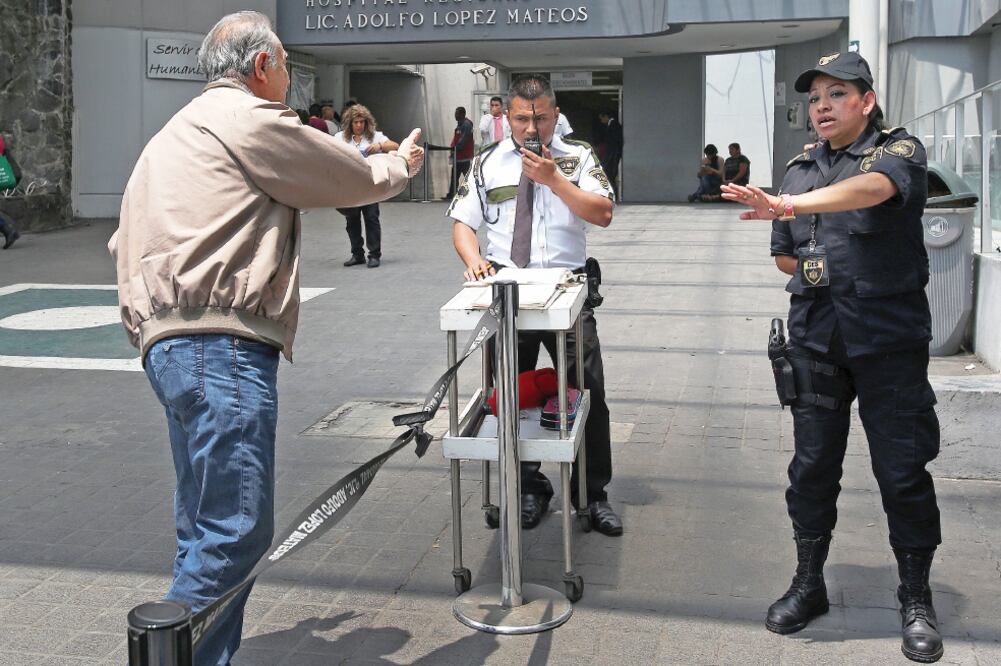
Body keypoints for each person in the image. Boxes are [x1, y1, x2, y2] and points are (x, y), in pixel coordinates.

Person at [108, 12, 423, 666]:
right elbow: (343, 176)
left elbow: (120, 240)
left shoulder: (170, 136)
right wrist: (400, 165)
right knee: (233, 532)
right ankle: (172, 657)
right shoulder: (248, 117)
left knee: (203, 528)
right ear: (260, 67)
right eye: (284, 65)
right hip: (221, 347)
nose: (289, 79)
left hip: (168, 346)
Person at [722, 51, 943, 664]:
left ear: (866, 101)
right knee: (812, 467)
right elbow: (785, 256)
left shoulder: (898, 152)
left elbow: (870, 192)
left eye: (836, 94)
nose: (821, 106)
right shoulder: (797, 170)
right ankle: (808, 582)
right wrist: (810, 257)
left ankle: (916, 597)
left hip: (888, 343)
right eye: (815, 96)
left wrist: (793, 207)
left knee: (902, 472)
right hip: (817, 339)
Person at [448, 74, 623, 536]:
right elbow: (463, 223)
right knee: (511, 395)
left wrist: (554, 179)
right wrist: (473, 260)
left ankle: (592, 495)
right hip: (510, 297)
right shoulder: (488, 162)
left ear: (554, 114)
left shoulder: (578, 156)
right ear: (507, 115)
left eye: (540, 118)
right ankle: (528, 487)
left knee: (588, 394)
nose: (532, 127)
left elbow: (602, 213)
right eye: (522, 118)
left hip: (568, 294)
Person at [334, 104, 400, 268]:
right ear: (350, 123)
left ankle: (374, 254)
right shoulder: (340, 137)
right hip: (350, 186)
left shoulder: (375, 136)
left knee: (371, 218)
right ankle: (357, 254)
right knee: (351, 220)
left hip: (371, 184)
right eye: (356, 122)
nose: (359, 126)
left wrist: (379, 147)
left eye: (362, 122)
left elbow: (395, 145)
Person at [444, 106, 474, 200]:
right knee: (455, 176)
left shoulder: (466, 125)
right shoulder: (460, 124)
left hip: (464, 156)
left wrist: (455, 148)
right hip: (458, 156)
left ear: (462, 114)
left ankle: (473, 195)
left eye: (457, 114)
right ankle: (451, 194)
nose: (455, 116)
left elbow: (463, 140)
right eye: (455, 114)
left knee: (468, 178)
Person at [597, 111, 622, 184]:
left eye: (602, 118)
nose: (601, 121)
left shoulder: (614, 125)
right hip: (611, 153)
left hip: (613, 153)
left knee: (610, 173)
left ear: (606, 117)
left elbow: (615, 141)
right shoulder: (611, 125)